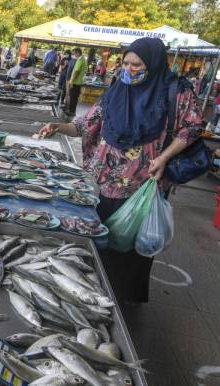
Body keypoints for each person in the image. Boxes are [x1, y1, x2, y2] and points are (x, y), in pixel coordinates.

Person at [38, 37, 203, 303]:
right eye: (125, 63)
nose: (129, 69)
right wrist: (58, 126)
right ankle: (92, 291)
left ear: (153, 63)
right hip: (101, 182)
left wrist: (165, 157)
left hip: (142, 186)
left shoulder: (176, 90)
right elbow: (85, 124)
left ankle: (124, 300)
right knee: (99, 237)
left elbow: (192, 128)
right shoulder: (117, 89)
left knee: (131, 248)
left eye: (137, 64)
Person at [66, 47, 86, 116]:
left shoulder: (80, 60)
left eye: (75, 53)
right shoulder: (83, 59)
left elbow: (76, 71)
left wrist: (71, 81)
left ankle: (71, 111)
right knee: (75, 97)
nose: (74, 54)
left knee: (73, 97)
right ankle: (72, 110)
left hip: (76, 82)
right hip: (79, 82)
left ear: (78, 53)